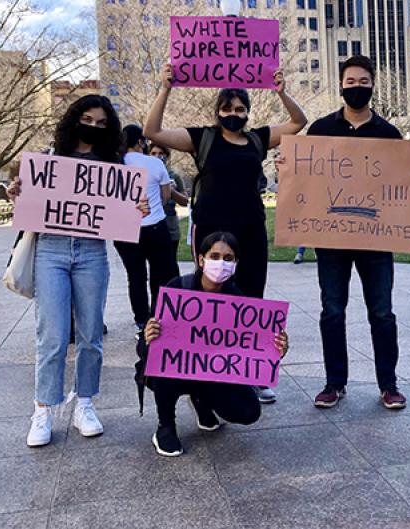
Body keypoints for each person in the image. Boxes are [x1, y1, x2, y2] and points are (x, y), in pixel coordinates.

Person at [144, 65, 306, 404]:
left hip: (250, 231)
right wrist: (164, 88)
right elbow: (152, 131)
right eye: (227, 108)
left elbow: (297, 122)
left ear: (247, 113)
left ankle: (253, 372)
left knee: (252, 299)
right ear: (217, 111)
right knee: (210, 299)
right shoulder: (202, 138)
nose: (234, 114)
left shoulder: (258, 139)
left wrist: (281, 91)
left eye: (240, 109)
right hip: (212, 233)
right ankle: (207, 369)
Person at [6, 95, 149, 447]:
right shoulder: (50, 158)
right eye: (87, 119)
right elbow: (30, 200)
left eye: (101, 123)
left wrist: (137, 209)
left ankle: (84, 402)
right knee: (52, 336)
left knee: (91, 335)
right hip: (50, 252)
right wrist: (17, 194)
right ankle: (43, 409)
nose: (93, 127)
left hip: (92, 253)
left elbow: (122, 213)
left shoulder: (113, 166)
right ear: (74, 119)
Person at [305, 55, 407, 410]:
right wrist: (290, 167)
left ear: (373, 84)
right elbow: (306, 177)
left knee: (382, 312)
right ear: (341, 85)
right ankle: (334, 383)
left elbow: (400, 182)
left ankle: (389, 384)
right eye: (351, 82)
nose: (357, 87)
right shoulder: (319, 129)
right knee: (332, 311)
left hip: (376, 238)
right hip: (331, 237)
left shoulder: (389, 134)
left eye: (363, 82)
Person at [143, 231, 289, 456]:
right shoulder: (177, 289)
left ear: (235, 264)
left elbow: (248, 351)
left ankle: (201, 399)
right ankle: (166, 426)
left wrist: (275, 349)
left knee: (249, 411)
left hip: (210, 370)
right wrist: (149, 335)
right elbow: (152, 345)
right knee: (162, 359)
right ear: (201, 259)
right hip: (176, 371)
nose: (221, 263)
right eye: (215, 256)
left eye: (228, 258)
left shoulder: (238, 301)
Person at [114, 125, 179, 333]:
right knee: (160, 275)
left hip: (125, 229)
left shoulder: (115, 163)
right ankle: (157, 315)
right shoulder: (154, 163)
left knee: (136, 277)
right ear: (141, 142)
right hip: (155, 226)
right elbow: (165, 196)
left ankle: (141, 319)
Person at [149, 143, 189, 258]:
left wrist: (171, 191)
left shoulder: (174, 176)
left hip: (170, 226)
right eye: (153, 153)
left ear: (167, 156)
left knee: (171, 262)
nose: (157, 156)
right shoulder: (144, 175)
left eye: (161, 153)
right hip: (151, 226)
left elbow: (185, 202)